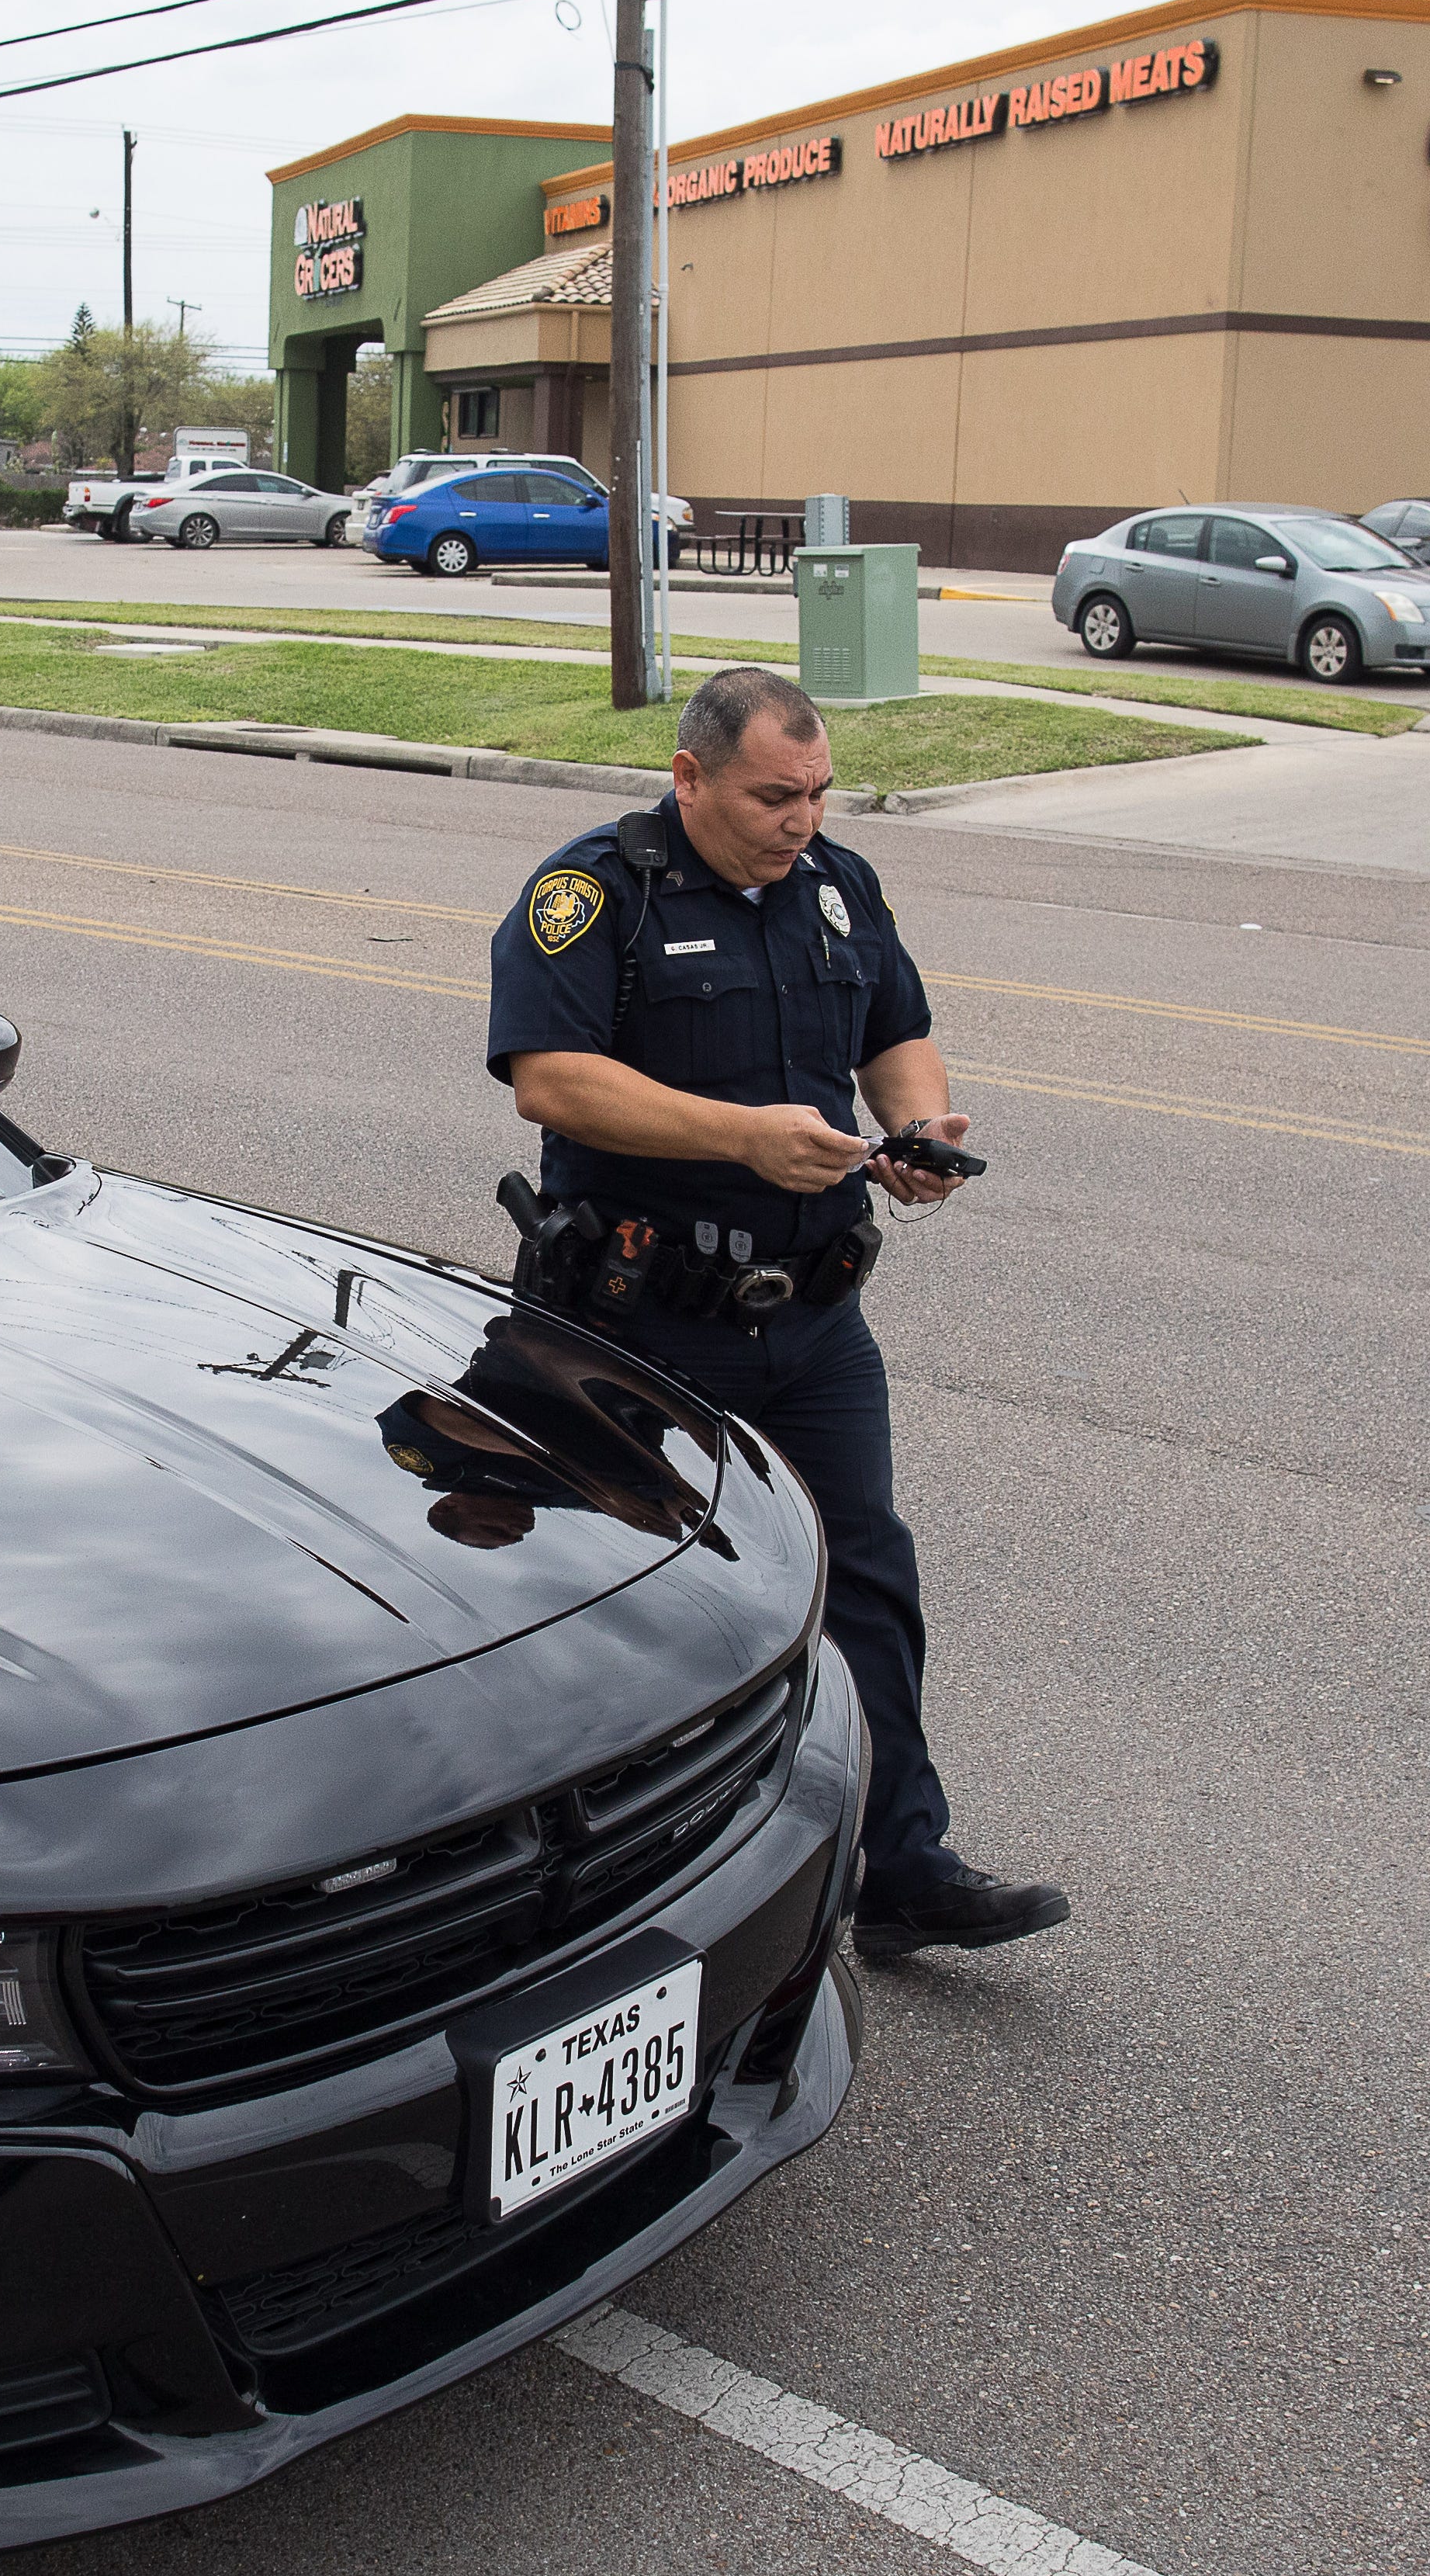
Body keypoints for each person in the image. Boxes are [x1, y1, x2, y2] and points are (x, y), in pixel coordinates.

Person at [485, 665, 1066, 1963]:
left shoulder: (838, 885)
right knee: (619, 1609)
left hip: (811, 1322)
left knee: (865, 1580)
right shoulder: (595, 895)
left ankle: (900, 1865)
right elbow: (552, 1083)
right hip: (635, 1323)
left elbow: (899, 1032)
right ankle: (594, 1903)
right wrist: (742, 1137)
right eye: (771, 796)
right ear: (689, 778)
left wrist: (917, 1125)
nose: (801, 818)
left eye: (818, 791)